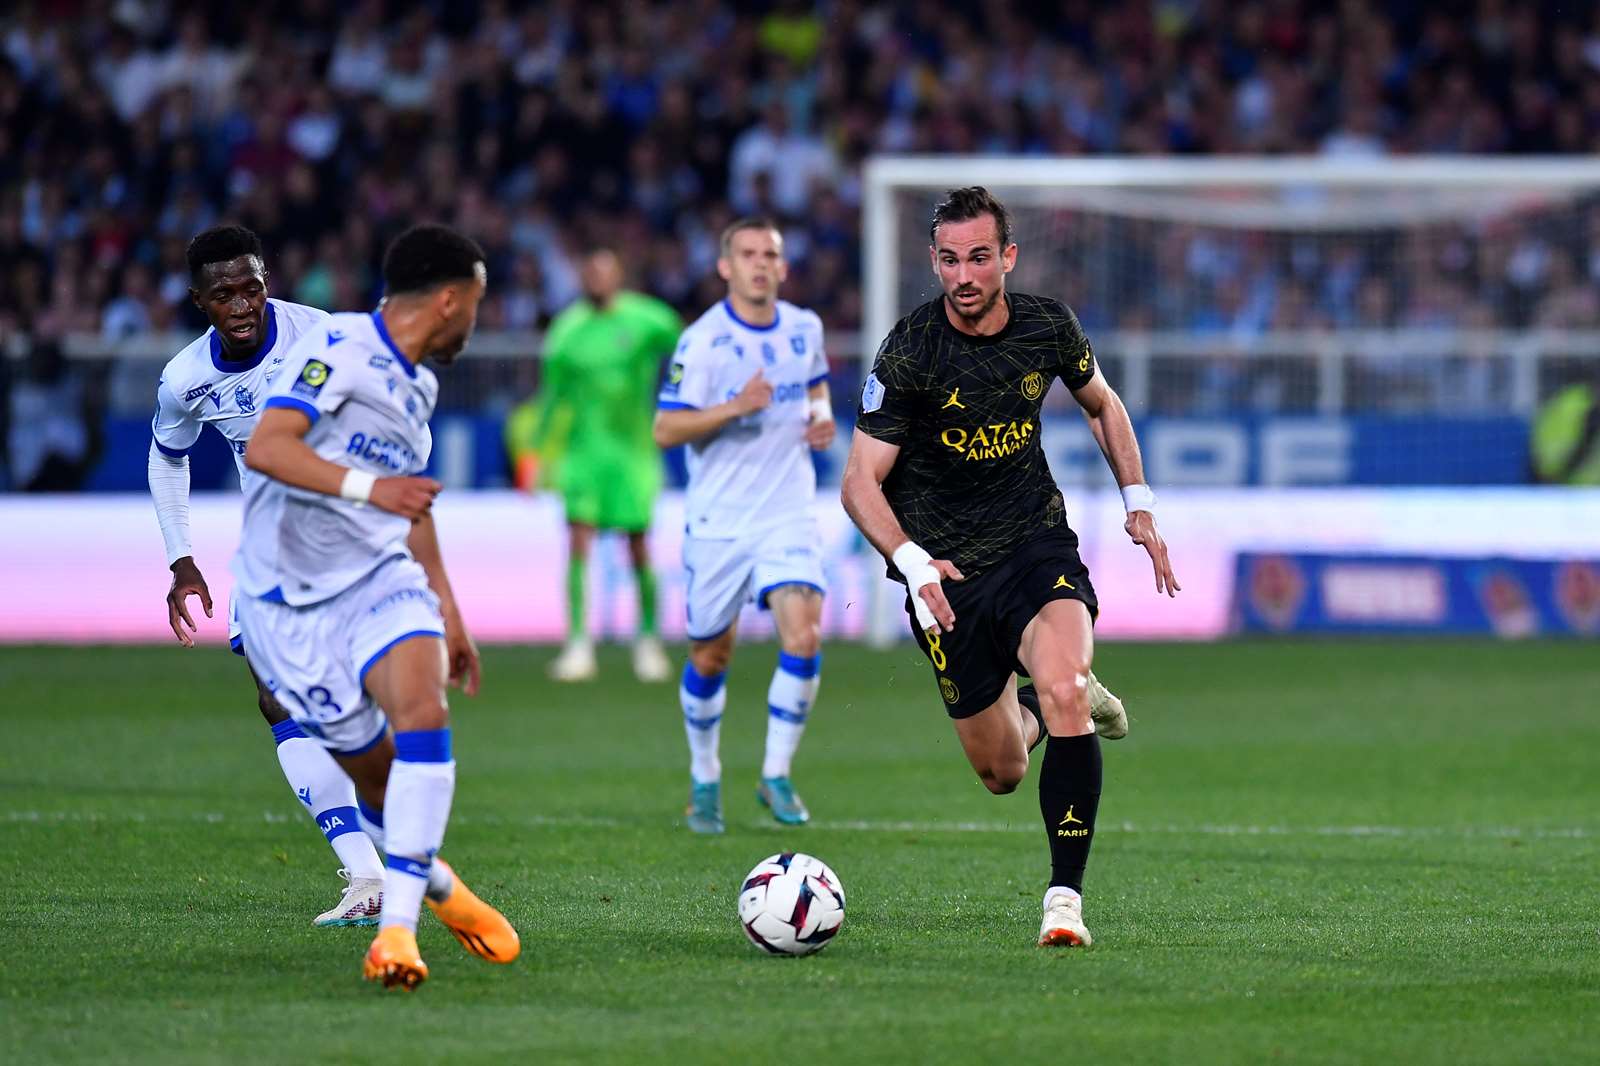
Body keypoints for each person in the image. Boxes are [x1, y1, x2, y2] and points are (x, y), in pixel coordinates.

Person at [840, 187, 1178, 948]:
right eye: (950, 259)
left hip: (1034, 546)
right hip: (946, 577)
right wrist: (913, 562)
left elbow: (1102, 404)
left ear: (1007, 258)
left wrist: (1139, 500)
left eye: (980, 258)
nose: (964, 274)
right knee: (1000, 771)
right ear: (934, 260)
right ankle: (1061, 699)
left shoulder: (1046, 326)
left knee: (1058, 687)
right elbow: (859, 482)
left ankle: (1064, 901)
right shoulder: (910, 349)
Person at [234, 224, 519, 989]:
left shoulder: (419, 384)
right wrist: (370, 489)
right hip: (289, 605)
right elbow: (270, 446)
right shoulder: (340, 347)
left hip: (378, 578)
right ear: (452, 299)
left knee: (424, 713)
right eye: (479, 304)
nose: (477, 321)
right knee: (378, 778)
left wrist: (450, 613)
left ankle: (396, 935)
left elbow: (412, 505)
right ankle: (439, 885)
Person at [149, 225, 385, 926]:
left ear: (266, 280)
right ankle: (366, 876)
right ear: (201, 302)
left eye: (252, 285)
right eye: (225, 294)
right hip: (270, 549)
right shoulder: (186, 378)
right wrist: (180, 559)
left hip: (351, 539)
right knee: (277, 700)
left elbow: (402, 414)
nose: (244, 303)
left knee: (360, 700)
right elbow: (168, 456)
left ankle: (401, 850)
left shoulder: (325, 337)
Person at [651, 217, 834, 833]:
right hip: (719, 522)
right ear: (725, 266)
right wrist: (735, 406)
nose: (761, 264)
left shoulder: (804, 328)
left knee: (804, 637)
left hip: (787, 512)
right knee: (710, 655)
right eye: (748, 254)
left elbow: (815, 388)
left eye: (771, 254)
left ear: (784, 267)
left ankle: (775, 773)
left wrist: (821, 419)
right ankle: (705, 778)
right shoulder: (703, 341)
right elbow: (666, 429)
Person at [532, 249, 683, 683]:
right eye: (591, 272)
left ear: (619, 277)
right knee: (578, 542)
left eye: (606, 272)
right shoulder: (567, 331)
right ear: (583, 279)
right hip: (583, 455)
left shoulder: (646, 319)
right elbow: (551, 398)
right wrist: (540, 454)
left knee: (638, 545)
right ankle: (579, 645)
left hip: (633, 454)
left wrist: (681, 394)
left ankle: (648, 642)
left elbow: (689, 349)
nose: (598, 279)